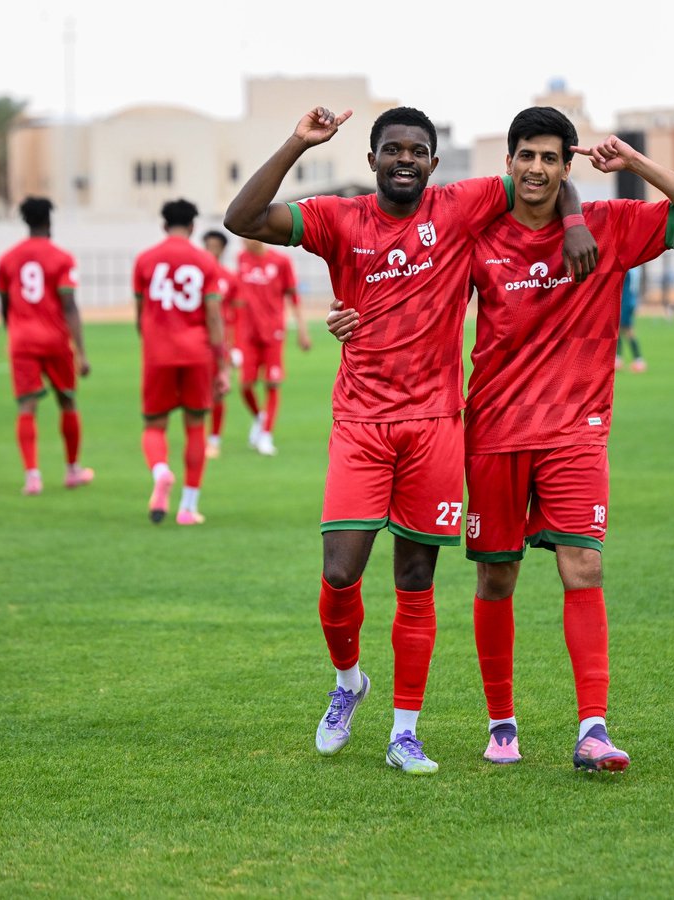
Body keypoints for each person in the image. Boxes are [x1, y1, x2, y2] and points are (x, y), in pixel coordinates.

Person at [224, 105, 596, 776]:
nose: (404, 158)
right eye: (391, 149)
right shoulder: (339, 218)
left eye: (416, 150)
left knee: (416, 577)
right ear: (371, 161)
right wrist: (297, 144)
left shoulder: (460, 206)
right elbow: (242, 219)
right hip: (361, 423)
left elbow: (546, 178)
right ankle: (347, 683)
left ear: (432, 161)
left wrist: (572, 224)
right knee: (340, 570)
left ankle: (405, 732)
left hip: (434, 425)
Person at [452, 108, 674, 772]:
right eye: (526, 156)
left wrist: (634, 164)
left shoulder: (610, 226)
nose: (536, 168)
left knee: (585, 567)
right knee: (497, 575)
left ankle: (593, 730)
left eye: (550, 158)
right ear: (508, 163)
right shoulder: (479, 237)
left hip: (576, 430)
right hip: (494, 429)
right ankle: (502, 724)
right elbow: (426, 306)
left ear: (567, 167)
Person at [133, 200, 230, 525]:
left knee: (154, 426)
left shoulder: (145, 260)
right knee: (195, 428)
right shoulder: (204, 262)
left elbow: (139, 315)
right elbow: (214, 316)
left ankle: (161, 472)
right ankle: (188, 507)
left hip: (158, 353)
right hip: (197, 353)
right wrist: (222, 365)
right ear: (192, 227)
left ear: (164, 226)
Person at [0, 197, 93, 495]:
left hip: (22, 340)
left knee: (27, 406)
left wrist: (13, 333)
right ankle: (72, 470)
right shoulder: (61, 258)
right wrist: (81, 351)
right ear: (49, 222)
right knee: (67, 402)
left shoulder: (8, 258)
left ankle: (32, 476)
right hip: (54, 340)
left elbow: (4, 304)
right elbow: (70, 306)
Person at [235, 238, 311, 457]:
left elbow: (293, 297)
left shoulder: (280, 261)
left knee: (272, 383)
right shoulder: (241, 259)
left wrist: (302, 330)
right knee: (246, 384)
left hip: (273, 332)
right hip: (248, 334)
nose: (244, 241)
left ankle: (266, 435)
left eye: (247, 235)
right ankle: (260, 418)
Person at [201, 229, 241, 460]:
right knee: (197, 392)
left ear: (223, 249)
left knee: (218, 392)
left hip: (221, 343)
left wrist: (235, 347)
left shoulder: (229, 278)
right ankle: (198, 436)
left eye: (215, 246)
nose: (211, 250)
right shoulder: (197, 276)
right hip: (198, 342)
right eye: (208, 245)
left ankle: (214, 439)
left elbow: (235, 317)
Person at [616, 266, 646, 372]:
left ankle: (638, 360)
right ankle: (618, 358)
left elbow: (626, 290)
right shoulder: (633, 270)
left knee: (628, 331)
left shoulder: (627, 271)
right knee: (618, 330)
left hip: (625, 303)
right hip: (627, 302)